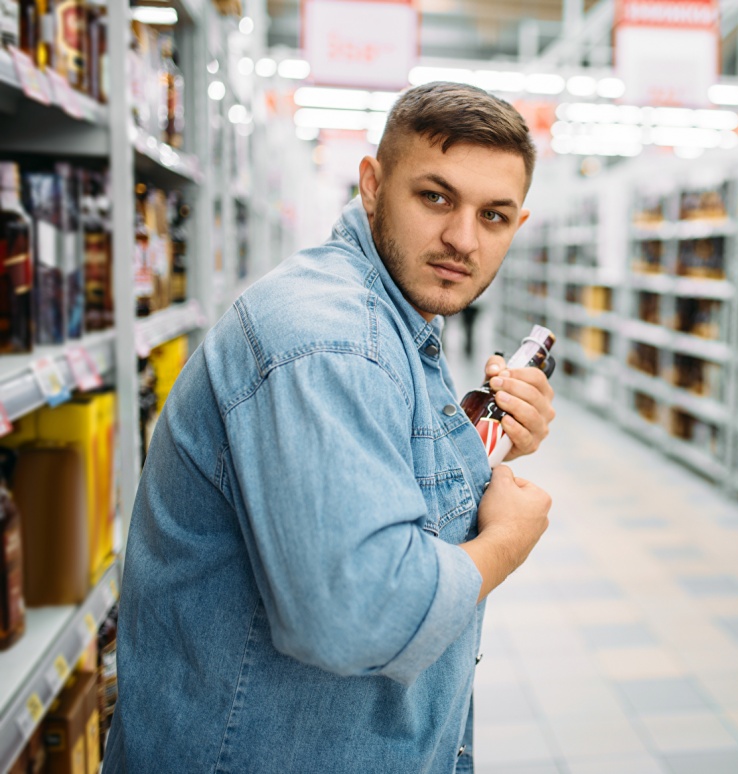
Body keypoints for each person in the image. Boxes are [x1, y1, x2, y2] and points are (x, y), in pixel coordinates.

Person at [104, 82, 555, 774]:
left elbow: (389, 488)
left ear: (517, 226)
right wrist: (508, 538)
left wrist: (479, 443)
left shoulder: (392, 315)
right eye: (434, 197)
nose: (462, 239)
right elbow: (361, 612)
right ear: (372, 186)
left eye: (492, 216)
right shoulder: (330, 338)